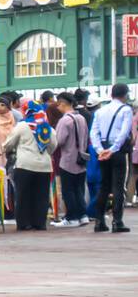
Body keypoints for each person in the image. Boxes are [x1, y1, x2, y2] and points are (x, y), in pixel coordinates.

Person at [90, 82, 133, 233]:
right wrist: (114, 149)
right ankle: (117, 221)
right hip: (118, 151)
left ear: (111, 94)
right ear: (125, 95)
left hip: (102, 149)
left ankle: (99, 221)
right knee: (118, 186)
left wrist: (100, 150)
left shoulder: (101, 111)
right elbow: (124, 132)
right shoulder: (126, 110)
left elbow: (93, 132)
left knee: (104, 185)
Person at [3, 118, 56, 232]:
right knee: (42, 196)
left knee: (23, 195)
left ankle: (24, 223)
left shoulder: (22, 126)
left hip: (25, 164)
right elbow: (53, 145)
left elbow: (8, 143)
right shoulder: (48, 127)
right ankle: (40, 223)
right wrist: (45, 154)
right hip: (44, 166)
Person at [52, 93, 90, 228]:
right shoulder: (81, 118)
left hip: (67, 159)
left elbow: (59, 140)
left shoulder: (64, 120)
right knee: (79, 189)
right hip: (81, 158)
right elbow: (86, 137)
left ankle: (71, 218)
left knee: (68, 190)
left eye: (58, 104)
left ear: (63, 103)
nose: (57, 107)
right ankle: (83, 215)